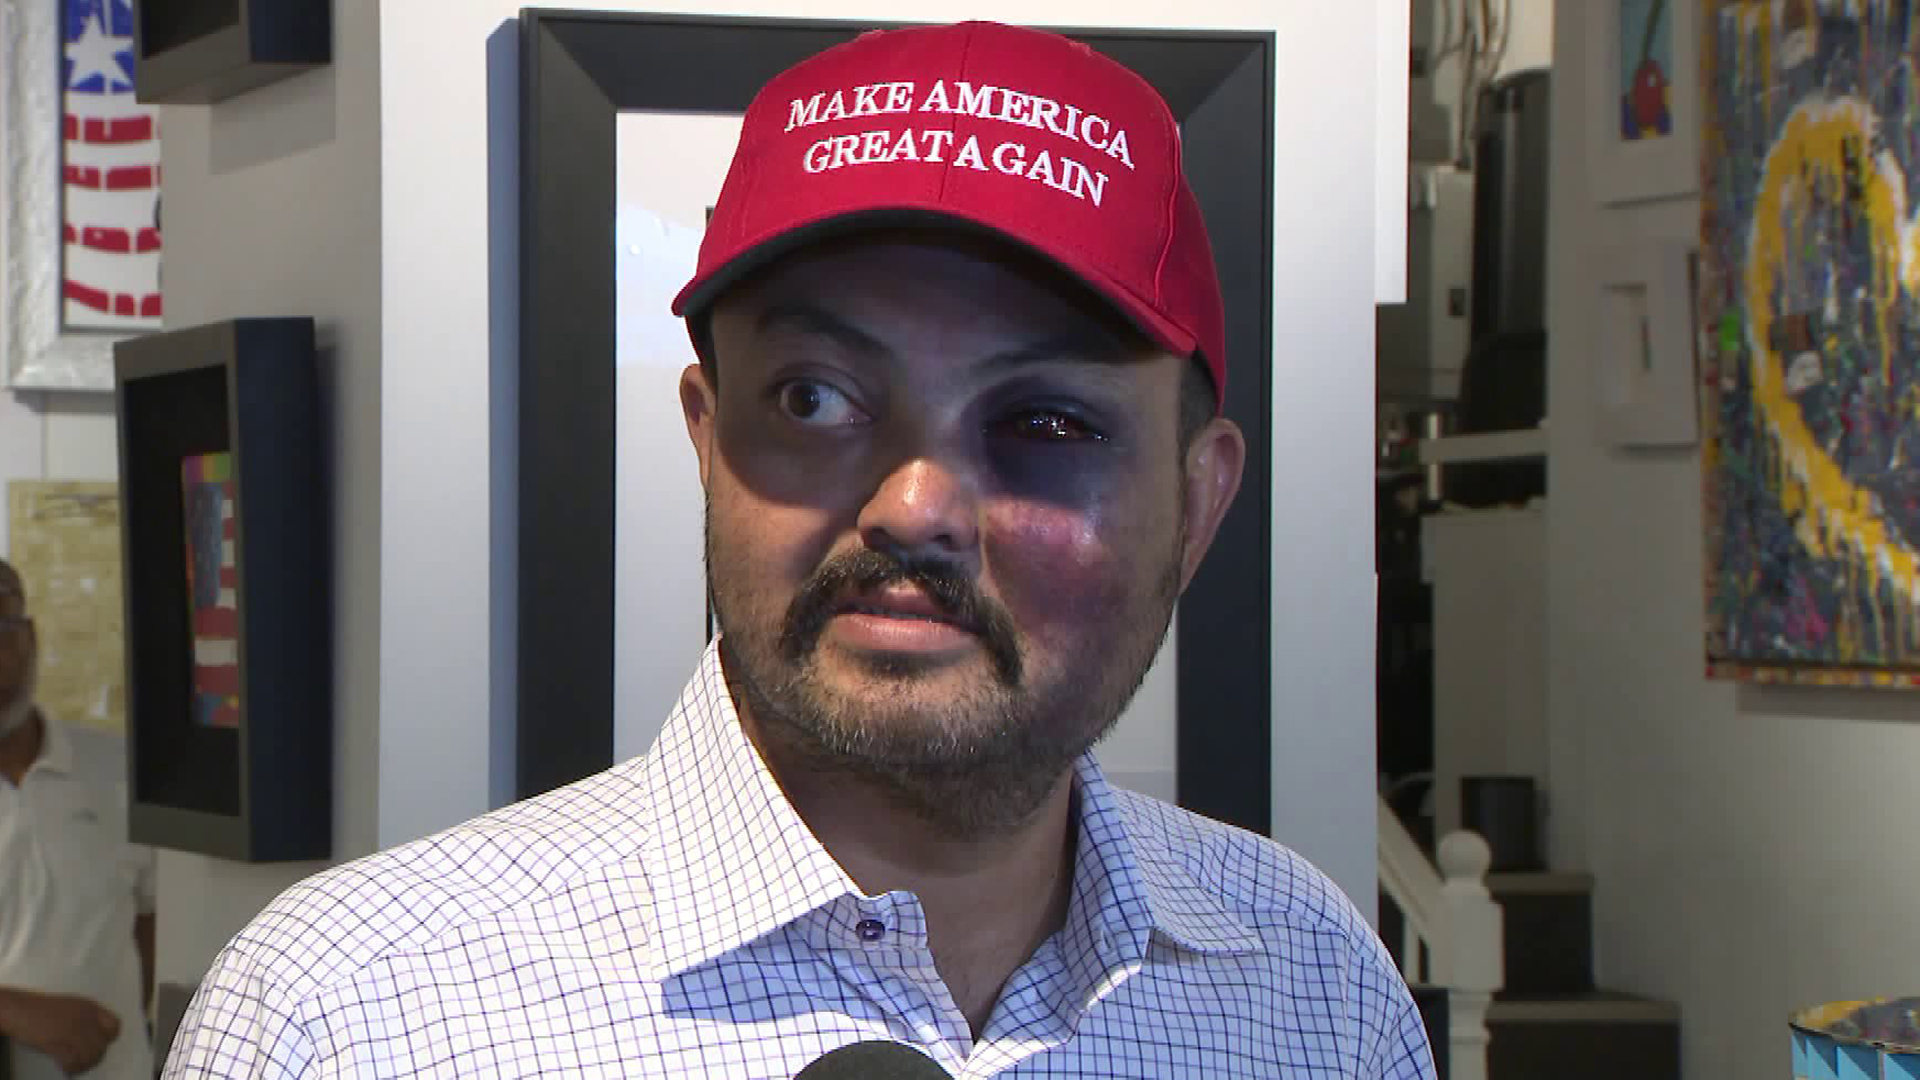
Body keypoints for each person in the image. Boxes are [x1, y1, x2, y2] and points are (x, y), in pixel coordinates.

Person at [164, 21, 1434, 1078]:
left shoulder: (1312, 986)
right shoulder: (353, 1018)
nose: (916, 505)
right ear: (708, 442)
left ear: (1198, 506)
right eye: (817, 398)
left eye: (1046, 421)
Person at [0, 558, 157, 1080]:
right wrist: (15, 1011)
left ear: (31, 637)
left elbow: (150, 923)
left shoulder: (119, 772)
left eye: (4, 631)